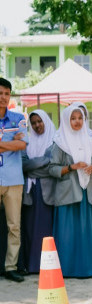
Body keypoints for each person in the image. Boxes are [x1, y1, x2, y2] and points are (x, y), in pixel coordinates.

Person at [49, 104, 92, 278]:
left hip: (87, 192)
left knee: (87, 232)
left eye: (80, 118)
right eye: (73, 118)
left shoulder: (90, 140)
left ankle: (88, 268)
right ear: (66, 120)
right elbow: (52, 169)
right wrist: (72, 167)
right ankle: (67, 269)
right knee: (67, 233)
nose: (77, 121)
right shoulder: (60, 143)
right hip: (68, 194)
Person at [20, 110, 55, 274]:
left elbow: (50, 167)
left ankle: (48, 267)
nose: (37, 125)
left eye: (40, 121)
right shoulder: (27, 142)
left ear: (46, 122)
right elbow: (23, 165)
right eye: (33, 123)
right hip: (30, 192)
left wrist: (32, 166)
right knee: (30, 229)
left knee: (46, 231)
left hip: (47, 191)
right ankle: (32, 265)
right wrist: (41, 163)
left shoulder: (54, 141)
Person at [0, 78, 28, 282]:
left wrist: (4, 144)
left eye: (6, 94)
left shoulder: (18, 118)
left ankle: (11, 267)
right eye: (0, 93)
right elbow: (16, 144)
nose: (3, 97)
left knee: (14, 226)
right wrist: (11, 141)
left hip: (14, 179)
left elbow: (23, 145)